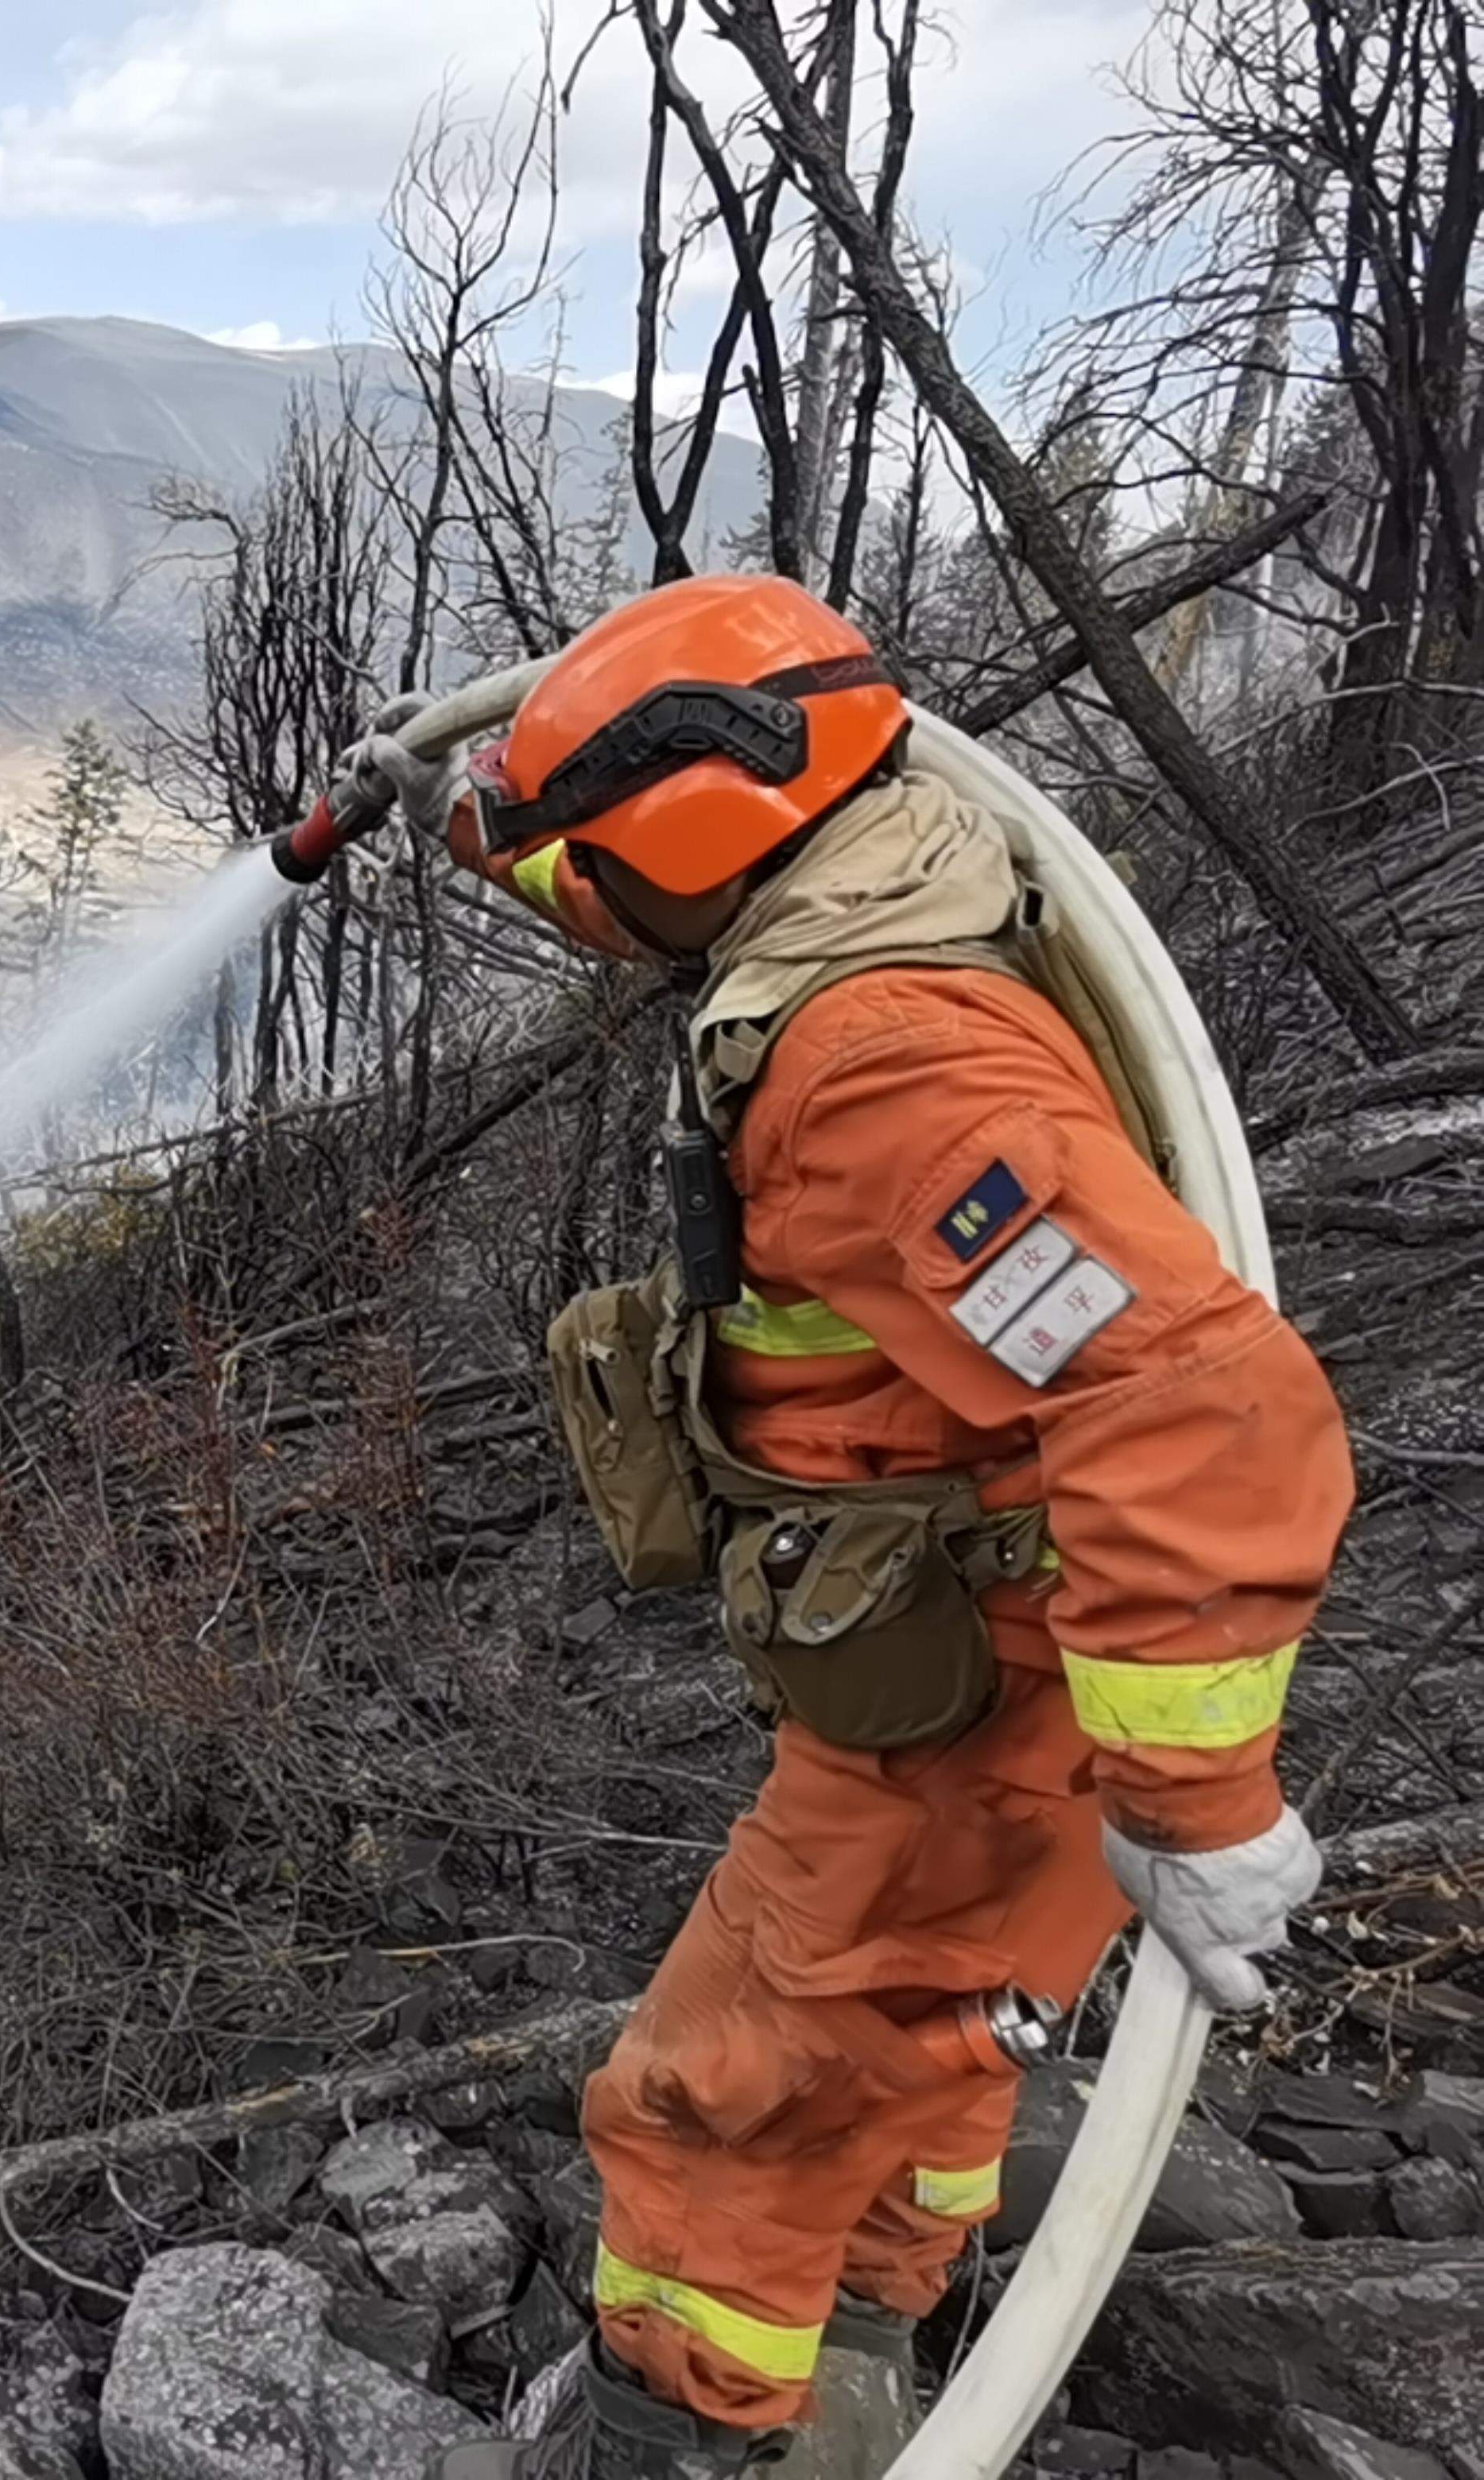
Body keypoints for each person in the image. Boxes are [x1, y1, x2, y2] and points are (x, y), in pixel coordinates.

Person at [336, 577, 1352, 2480]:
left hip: (981, 1708)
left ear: (688, 835)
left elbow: (1192, 1397)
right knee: (928, 2026)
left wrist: (1202, 1805)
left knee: (725, 2084)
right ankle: (863, 2354)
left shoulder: (886, 1071)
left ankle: (683, 2432)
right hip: (1016, 1674)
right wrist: (456, 809)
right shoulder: (865, 859)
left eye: (594, 858)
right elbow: (637, 873)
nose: (584, 899)